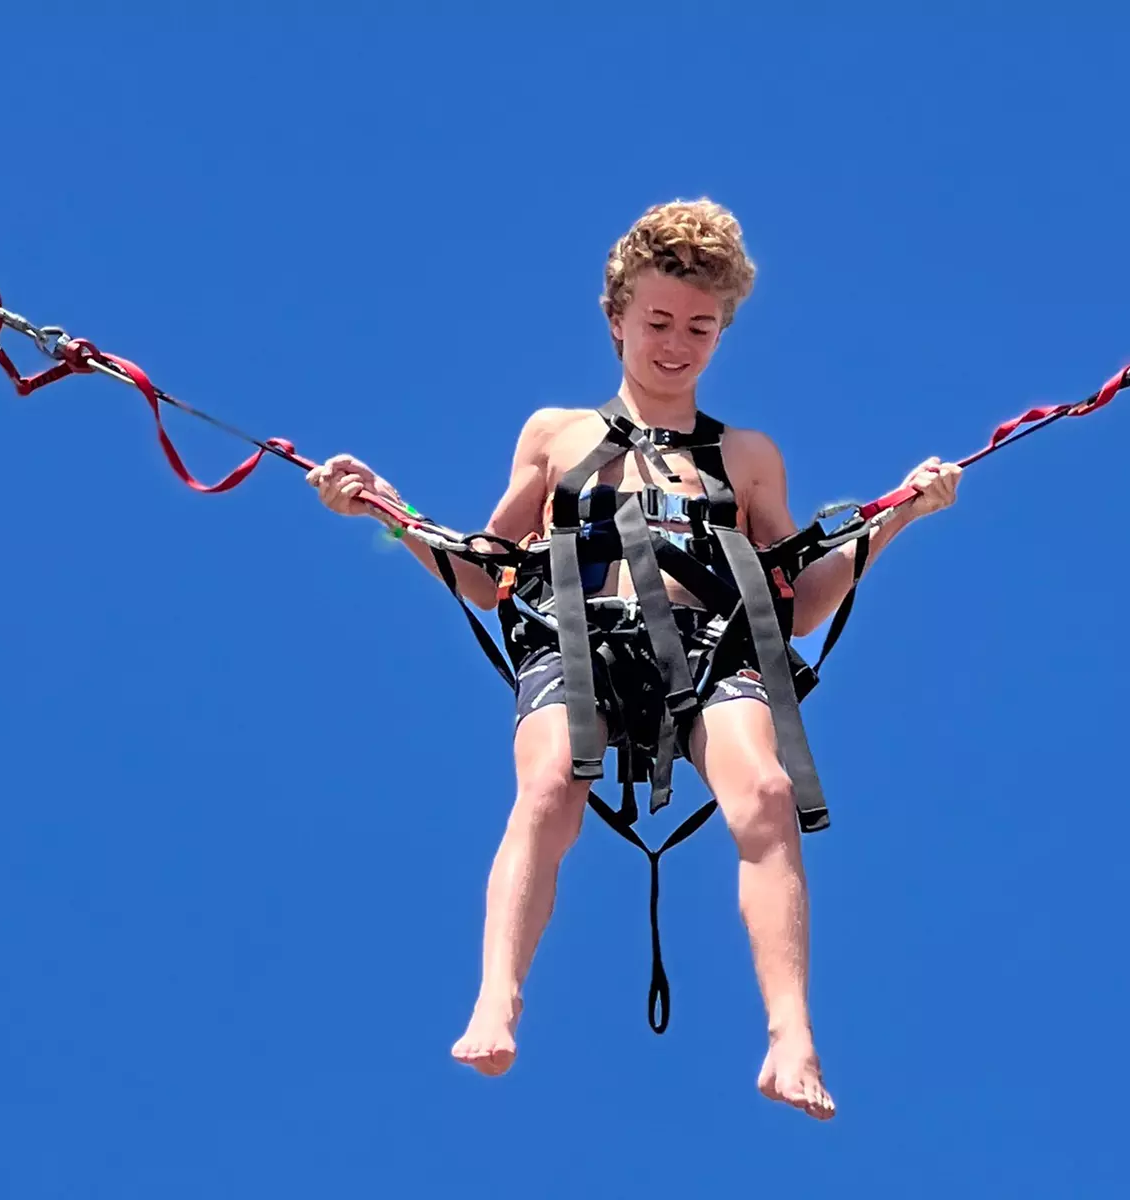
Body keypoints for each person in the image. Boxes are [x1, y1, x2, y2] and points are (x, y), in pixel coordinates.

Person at [305, 199, 960, 1120]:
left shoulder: (747, 456)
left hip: (709, 649)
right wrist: (385, 508)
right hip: (577, 641)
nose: (675, 344)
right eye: (657, 322)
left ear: (722, 332)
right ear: (616, 318)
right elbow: (484, 575)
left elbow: (798, 603)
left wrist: (895, 518)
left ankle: (792, 1036)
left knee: (767, 792)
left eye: (699, 327)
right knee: (549, 784)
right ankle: (498, 998)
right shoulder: (555, 434)